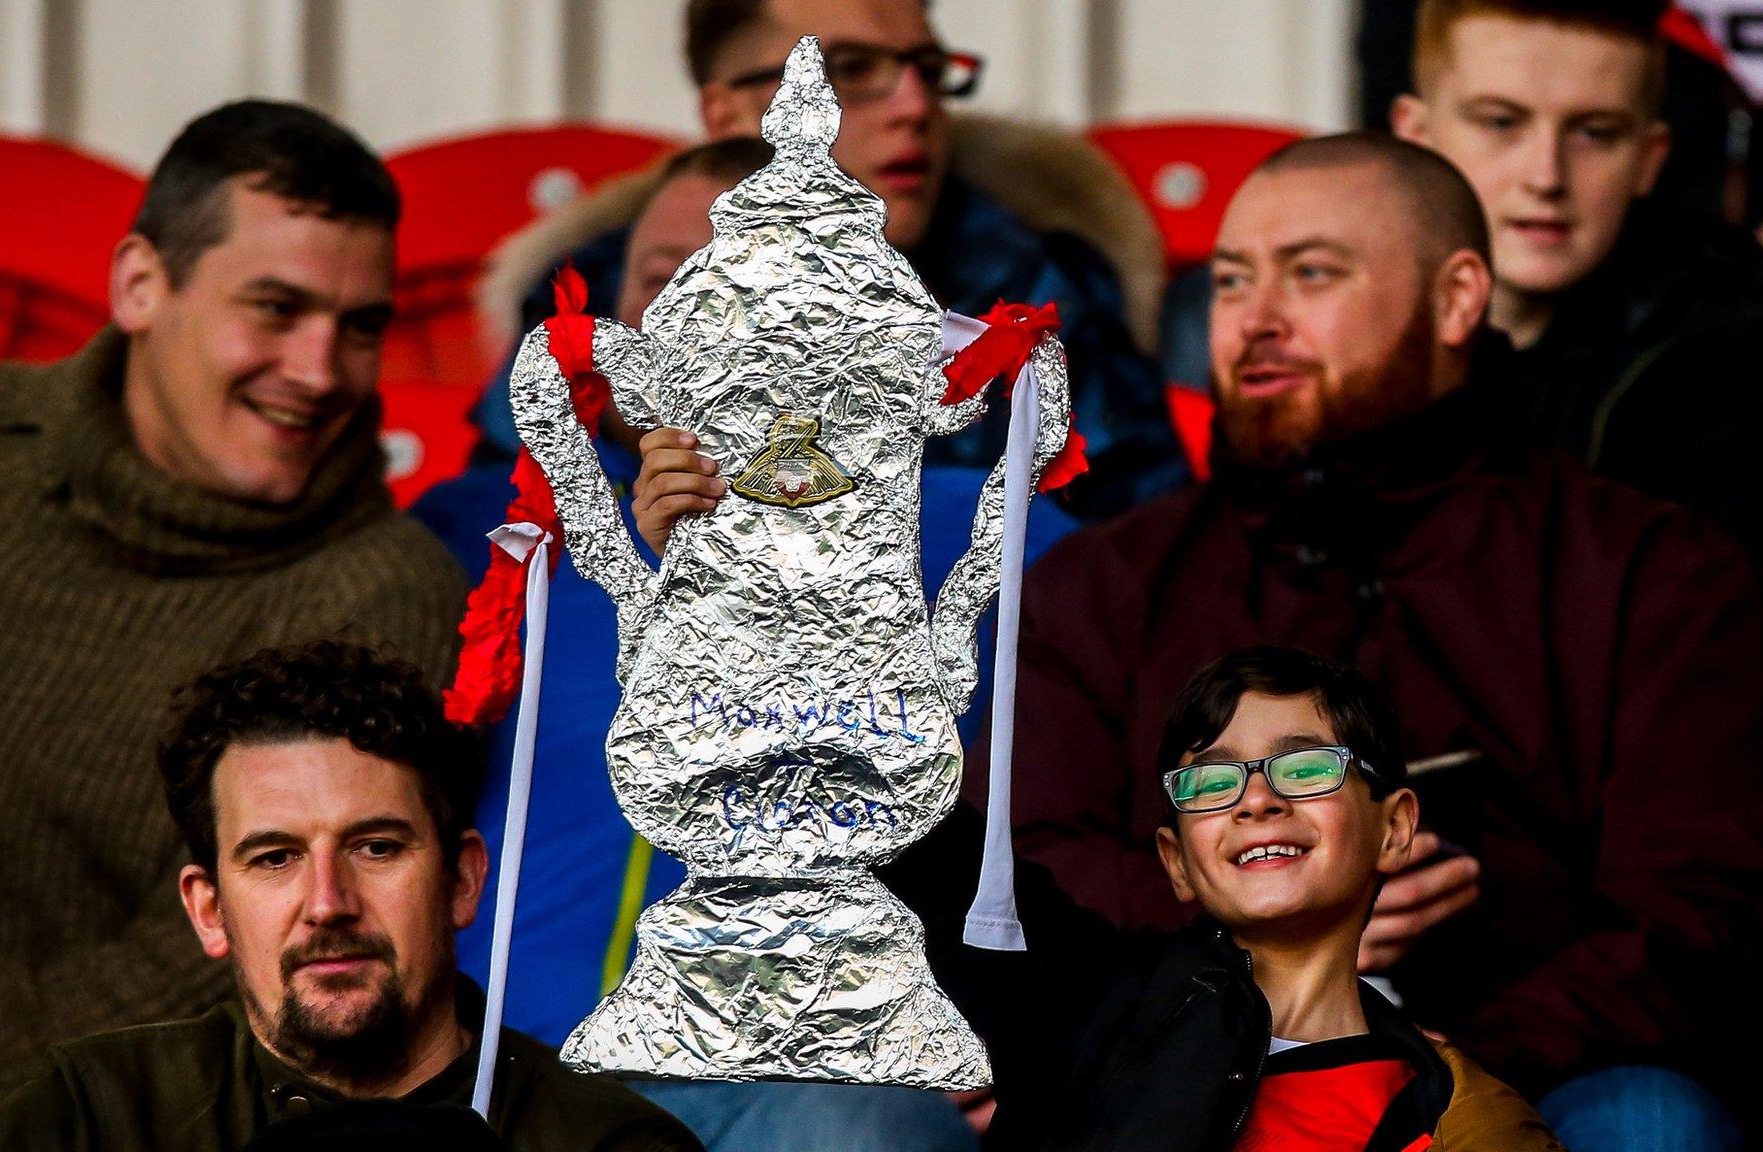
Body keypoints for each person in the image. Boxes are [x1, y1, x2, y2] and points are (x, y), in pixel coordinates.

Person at [637, 130, 1763, 1148]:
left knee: (1647, 1120)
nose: (1252, 317)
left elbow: (1688, 917)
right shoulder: (1106, 581)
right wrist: (1264, 934)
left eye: (1310, 274)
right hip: (1174, 1070)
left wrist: (1415, 1068)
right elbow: (1019, 876)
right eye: (1229, 280)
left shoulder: (1649, 570)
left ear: (1456, 296)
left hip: (1527, 1067)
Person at [0, 101, 469, 1145]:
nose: (319, 371)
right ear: (140, 285)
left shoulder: (378, 599)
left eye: (360, 327)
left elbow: (201, 991)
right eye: (275, 308)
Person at [415, 136, 1071, 1152]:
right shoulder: (484, 529)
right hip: (517, 1070)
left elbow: (1094, 816)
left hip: (818, 1084)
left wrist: (1026, 1037)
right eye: (658, 282)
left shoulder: (990, 531)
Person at [0, 642, 701, 1152]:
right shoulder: (88, 1119)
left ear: (463, 881)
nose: (328, 901)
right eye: (275, 858)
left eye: (376, 848)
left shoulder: (605, 1141)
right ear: (209, 910)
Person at [471, 0, 1188, 518]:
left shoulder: (1037, 288)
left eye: (928, 69)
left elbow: (1145, 551)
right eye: (849, 69)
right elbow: (502, 533)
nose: (914, 106)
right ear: (726, 116)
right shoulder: (592, 292)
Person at [904, 646, 1562, 1151]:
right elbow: (930, 850)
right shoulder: (1093, 1000)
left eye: (1305, 768)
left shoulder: (1459, 1115)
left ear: (1394, 829)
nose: (1257, 800)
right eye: (1212, 782)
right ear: (1177, 862)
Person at [1389, 0, 1763, 558]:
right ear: (1416, 134)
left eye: (1594, 133)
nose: (1546, 176)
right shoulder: (1317, 327)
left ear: (1648, 159)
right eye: (1501, 122)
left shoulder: (1739, 355)